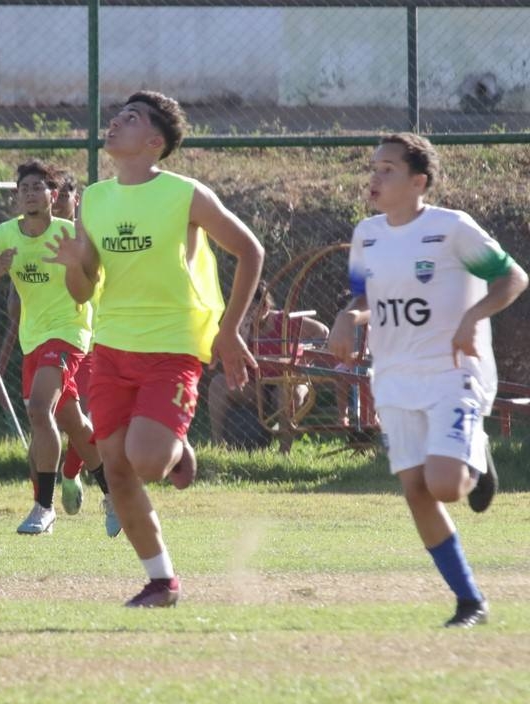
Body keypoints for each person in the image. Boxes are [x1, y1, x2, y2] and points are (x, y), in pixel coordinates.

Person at [45, 91, 264, 607]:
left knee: (145, 461)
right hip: (111, 349)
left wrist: (230, 330)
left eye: (131, 118)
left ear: (154, 142)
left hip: (172, 347)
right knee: (115, 468)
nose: (115, 122)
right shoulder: (94, 199)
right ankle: (162, 582)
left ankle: (175, 447)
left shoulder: (185, 194)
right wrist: (75, 264)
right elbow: (83, 290)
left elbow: (249, 250)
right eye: (117, 115)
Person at [328, 132, 528, 628]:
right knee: (416, 490)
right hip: (395, 376)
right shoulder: (367, 234)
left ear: (419, 182)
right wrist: (348, 317)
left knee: (444, 486)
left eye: (388, 169)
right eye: (373, 168)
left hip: (452, 372)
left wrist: (472, 317)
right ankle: (469, 602)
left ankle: (475, 451)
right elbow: (365, 297)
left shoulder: (451, 228)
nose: (375, 177)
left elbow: (513, 278)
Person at [0, 159, 111, 535]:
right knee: (74, 424)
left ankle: (43, 507)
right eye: (25, 188)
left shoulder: (71, 234)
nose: (31, 193)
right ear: (17, 197)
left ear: (53, 195)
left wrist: (74, 267)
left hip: (70, 333)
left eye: (38, 187)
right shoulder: (4, 235)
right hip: (32, 338)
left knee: (38, 410)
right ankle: (114, 491)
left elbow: (94, 284)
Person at [207, 280, 329, 453]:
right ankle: (218, 444)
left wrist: (303, 360)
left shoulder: (283, 320)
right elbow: (233, 360)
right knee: (217, 385)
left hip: (287, 379)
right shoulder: (239, 327)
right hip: (257, 385)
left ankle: (284, 450)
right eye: (245, 309)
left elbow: (322, 332)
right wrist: (243, 335)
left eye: (252, 308)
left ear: (265, 307)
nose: (248, 314)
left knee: (286, 392)